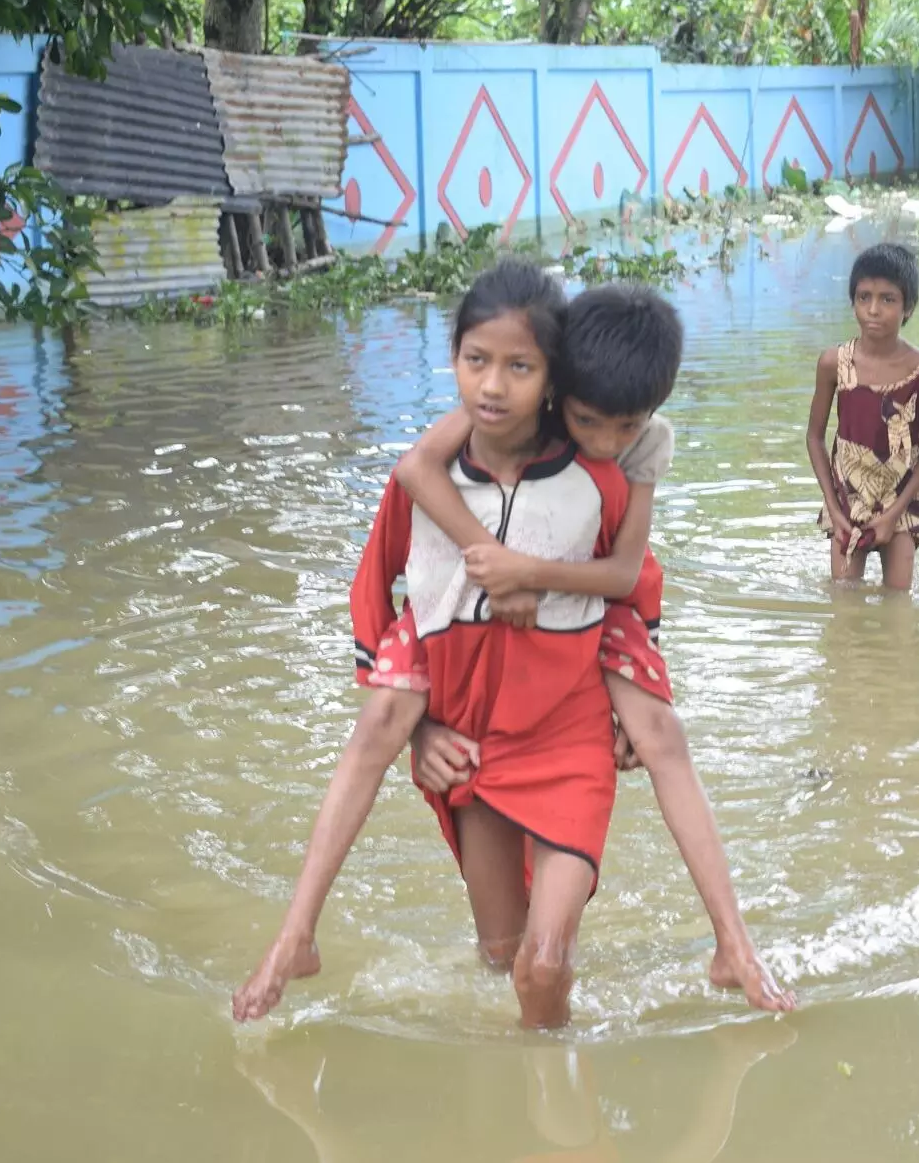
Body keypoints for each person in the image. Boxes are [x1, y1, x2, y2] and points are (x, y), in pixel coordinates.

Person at [233, 259, 631, 1029]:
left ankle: (551, 1121)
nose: (491, 385)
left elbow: (630, 587)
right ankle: (295, 933)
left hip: (557, 721)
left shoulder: (590, 476)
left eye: (519, 367)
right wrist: (420, 726)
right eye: (475, 360)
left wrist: (628, 706)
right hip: (466, 731)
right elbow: (371, 592)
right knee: (497, 957)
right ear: (452, 357)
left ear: (553, 378)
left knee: (541, 967)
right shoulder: (422, 477)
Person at [394, 282, 793, 1014]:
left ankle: (733, 941)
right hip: (498, 669)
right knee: (500, 957)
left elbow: (624, 573)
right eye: (588, 422)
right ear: (558, 391)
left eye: (625, 426)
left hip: (604, 609)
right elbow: (415, 473)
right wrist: (421, 719)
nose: (606, 442)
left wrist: (530, 576)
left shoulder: (641, 446)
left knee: (662, 736)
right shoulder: (508, 409)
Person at [805, 242, 919, 591]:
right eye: (864, 297)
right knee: (844, 597)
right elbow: (814, 437)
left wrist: (895, 514)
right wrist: (834, 508)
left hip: (900, 497)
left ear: (908, 307)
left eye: (888, 299)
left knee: (899, 601)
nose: (873, 310)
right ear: (852, 301)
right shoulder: (833, 364)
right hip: (847, 497)